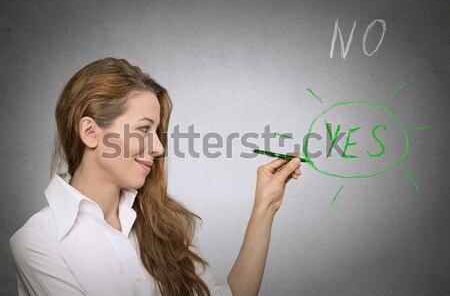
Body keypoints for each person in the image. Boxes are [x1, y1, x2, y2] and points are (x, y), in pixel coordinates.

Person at [9, 57, 302, 296]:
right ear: (90, 132)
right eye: (143, 129)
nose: (159, 147)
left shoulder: (159, 225)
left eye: (157, 132)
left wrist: (265, 205)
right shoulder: (38, 243)